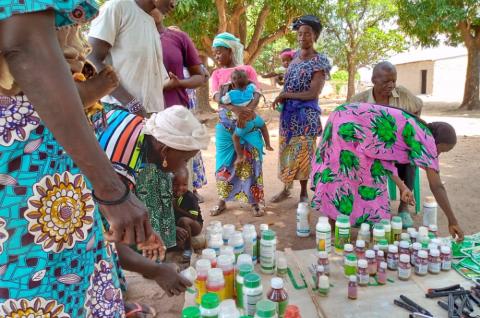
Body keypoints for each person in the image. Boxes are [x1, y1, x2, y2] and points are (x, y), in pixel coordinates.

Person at [0, 1, 154, 316]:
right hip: (31, 156)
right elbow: (25, 46)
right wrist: (112, 189)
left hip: (42, 149)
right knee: (44, 289)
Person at [96, 105, 209, 295]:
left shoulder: (139, 126)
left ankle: (115, 293)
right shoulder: (119, 169)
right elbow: (105, 238)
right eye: (184, 159)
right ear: (164, 151)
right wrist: (156, 271)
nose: (182, 166)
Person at [310, 102, 464, 241]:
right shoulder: (426, 139)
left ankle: (347, 224)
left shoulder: (415, 128)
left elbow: (381, 155)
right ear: (437, 141)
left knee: (357, 174)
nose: (438, 155)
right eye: (442, 150)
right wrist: (453, 220)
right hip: (346, 125)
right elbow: (437, 186)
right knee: (347, 175)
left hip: (343, 116)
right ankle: (342, 225)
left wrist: (402, 187)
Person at [350, 61, 424, 228]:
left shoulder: (403, 94)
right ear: (374, 80)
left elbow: (418, 106)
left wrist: (411, 126)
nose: (391, 85)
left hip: (397, 151)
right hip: (370, 154)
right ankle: (362, 208)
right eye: (385, 82)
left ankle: (404, 208)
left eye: (394, 80)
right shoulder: (359, 100)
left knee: (411, 157)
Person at [272, 15, 332, 203]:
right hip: (288, 115)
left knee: (304, 153)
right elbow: (289, 85)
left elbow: (312, 93)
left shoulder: (319, 61)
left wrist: (286, 95)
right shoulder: (295, 58)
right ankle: (286, 188)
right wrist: (281, 92)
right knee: (287, 151)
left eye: (307, 34)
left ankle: (304, 193)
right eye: (300, 34)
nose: (302, 37)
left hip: (306, 115)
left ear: (314, 36)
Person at [209, 32, 265, 217]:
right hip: (225, 124)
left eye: (219, 52)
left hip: (247, 123)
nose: (216, 56)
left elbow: (256, 93)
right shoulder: (216, 74)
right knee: (223, 162)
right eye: (214, 53)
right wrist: (236, 109)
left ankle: (255, 201)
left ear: (230, 50)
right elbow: (217, 97)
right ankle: (222, 200)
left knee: (252, 159)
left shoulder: (247, 70)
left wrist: (247, 111)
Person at [88, 0, 176, 116]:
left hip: (148, 115)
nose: (173, 4)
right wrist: (132, 104)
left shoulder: (150, 21)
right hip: (118, 111)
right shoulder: (117, 7)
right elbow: (92, 59)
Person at [221, 69, 274, 167]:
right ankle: (268, 144)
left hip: (244, 123)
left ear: (232, 85)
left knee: (235, 137)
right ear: (248, 82)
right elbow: (257, 91)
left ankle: (240, 156)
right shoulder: (251, 88)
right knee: (263, 127)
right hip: (255, 118)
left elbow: (223, 101)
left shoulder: (230, 94)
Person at [172, 167, 203, 259]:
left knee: (183, 220)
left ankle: (188, 248)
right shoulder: (170, 195)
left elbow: (193, 216)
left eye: (184, 184)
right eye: (176, 184)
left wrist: (176, 208)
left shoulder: (190, 197)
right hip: (180, 226)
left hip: (195, 224)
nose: (180, 188)